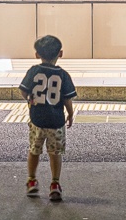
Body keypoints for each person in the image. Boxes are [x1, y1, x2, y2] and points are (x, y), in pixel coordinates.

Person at [18, 35, 76, 202]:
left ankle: (31, 181)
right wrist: (70, 114)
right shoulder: (63, 75)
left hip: (37, 120)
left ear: (37, 54)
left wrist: (30, 99)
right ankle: (55, 184)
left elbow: (23, 90)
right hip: (56, 121)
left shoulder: (33, 71)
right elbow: (67, 99)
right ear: (60, 53)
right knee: (55, 153)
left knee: (34, 150)